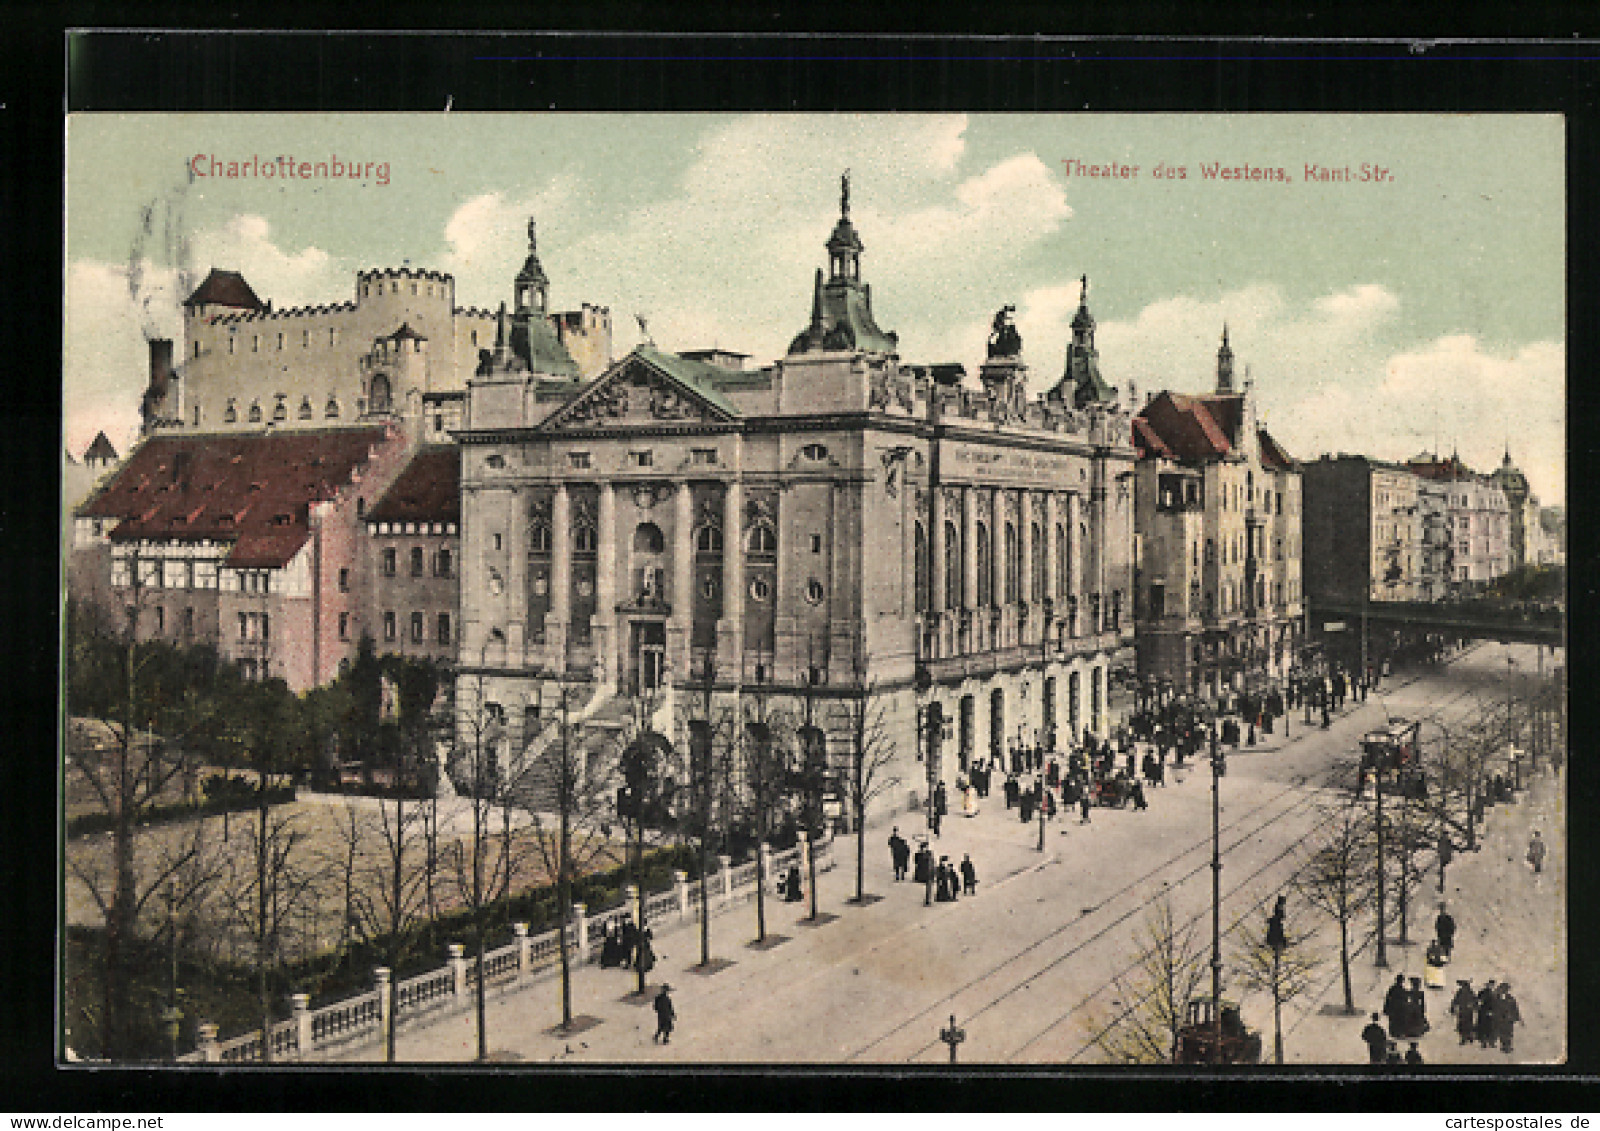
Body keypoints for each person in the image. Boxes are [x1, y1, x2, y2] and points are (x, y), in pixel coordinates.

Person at [1450, 979, 1477, 1045]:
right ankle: (1464, 1037)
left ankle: (1468, 1036)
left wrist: (1473, 1006)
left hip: (1467, 1011)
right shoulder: (1461, 992)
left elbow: (1475, 1001)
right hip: (1463, 1011)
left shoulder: (1469, 992)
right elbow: (1455, 1001)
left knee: (1467, 1024)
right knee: (1463, 1024)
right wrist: (1453, 1008)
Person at [1496, 983, 1520, 1054]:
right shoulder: (1497, 999)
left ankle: (1508, 1046)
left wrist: (1516, 1017)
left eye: (1505, 990)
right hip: (1501, 1019)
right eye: (1503, 989)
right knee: (1502, 1032)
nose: (1504, 991)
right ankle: (1504, 1046)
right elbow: (1495, 1008)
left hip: (1509, 1019)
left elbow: (1515, 1008)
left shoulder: (1510, 999)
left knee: (1509, 1033)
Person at [1383, 974, 1408, 1039]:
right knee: (1396, 1020)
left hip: (1395, 1008)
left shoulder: (1393, 989)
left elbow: (1388, 998)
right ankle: (1396, 1032)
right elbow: (1388, 998)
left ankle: (1395, 1032)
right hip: (1397, 1008)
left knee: (1395, 1020)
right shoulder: (1400, 990)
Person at [1476, 981, 1498, 1048]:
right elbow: (1479, 1001)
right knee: (1484, 1027)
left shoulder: (1494, 993)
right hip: (1483, 1012)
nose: (1491, 986)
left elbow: (1495, 1003)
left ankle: (1491, 1042)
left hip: (1490, 1012)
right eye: (1490, 985)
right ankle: (1484, 1042)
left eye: (1492, 985)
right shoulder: (1483, 993)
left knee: (1490, 1027)